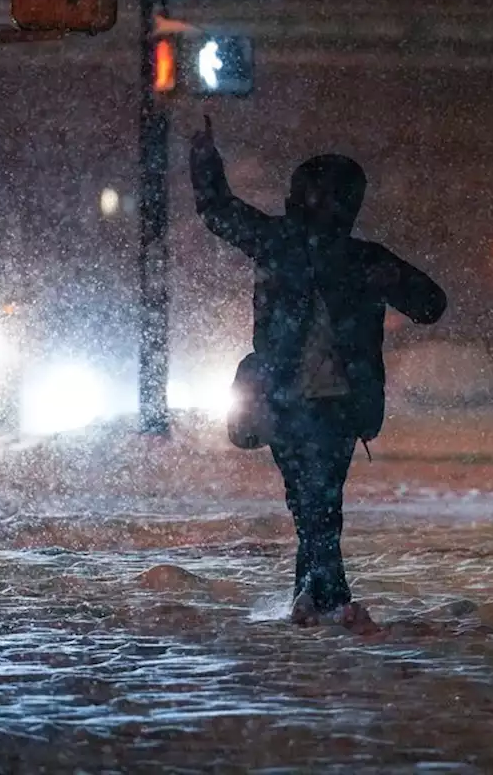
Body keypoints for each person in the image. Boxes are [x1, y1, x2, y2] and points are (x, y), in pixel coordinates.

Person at [189, 115, 447, 629]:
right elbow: (430, 303)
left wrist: (203, 160)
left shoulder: (283, 244)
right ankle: (323, 599)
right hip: (326, 401)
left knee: (312, 502)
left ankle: (319, 599)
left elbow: (218, 212)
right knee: (317, 502)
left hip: (297, 399)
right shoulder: (354, 258)